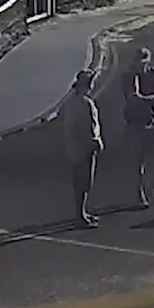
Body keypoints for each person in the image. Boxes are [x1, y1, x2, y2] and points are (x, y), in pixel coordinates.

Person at [122, 47, 154, 207]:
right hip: (135, 124)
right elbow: (133, 98)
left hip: (152, 120)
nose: (138, 66)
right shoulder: (128, 77)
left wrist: (145, 98)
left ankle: (152, 184)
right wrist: (150, 98)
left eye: (141, 63)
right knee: (137, 162)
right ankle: (137, 194)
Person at [62, 69, 104, 228]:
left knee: (81, 181)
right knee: (83, 181)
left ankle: (83, 212)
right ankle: (80, 215)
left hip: (76, 148)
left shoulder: (73, 100)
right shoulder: (84, 103)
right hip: (84, 149)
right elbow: (83, 127)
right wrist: (94, 142)